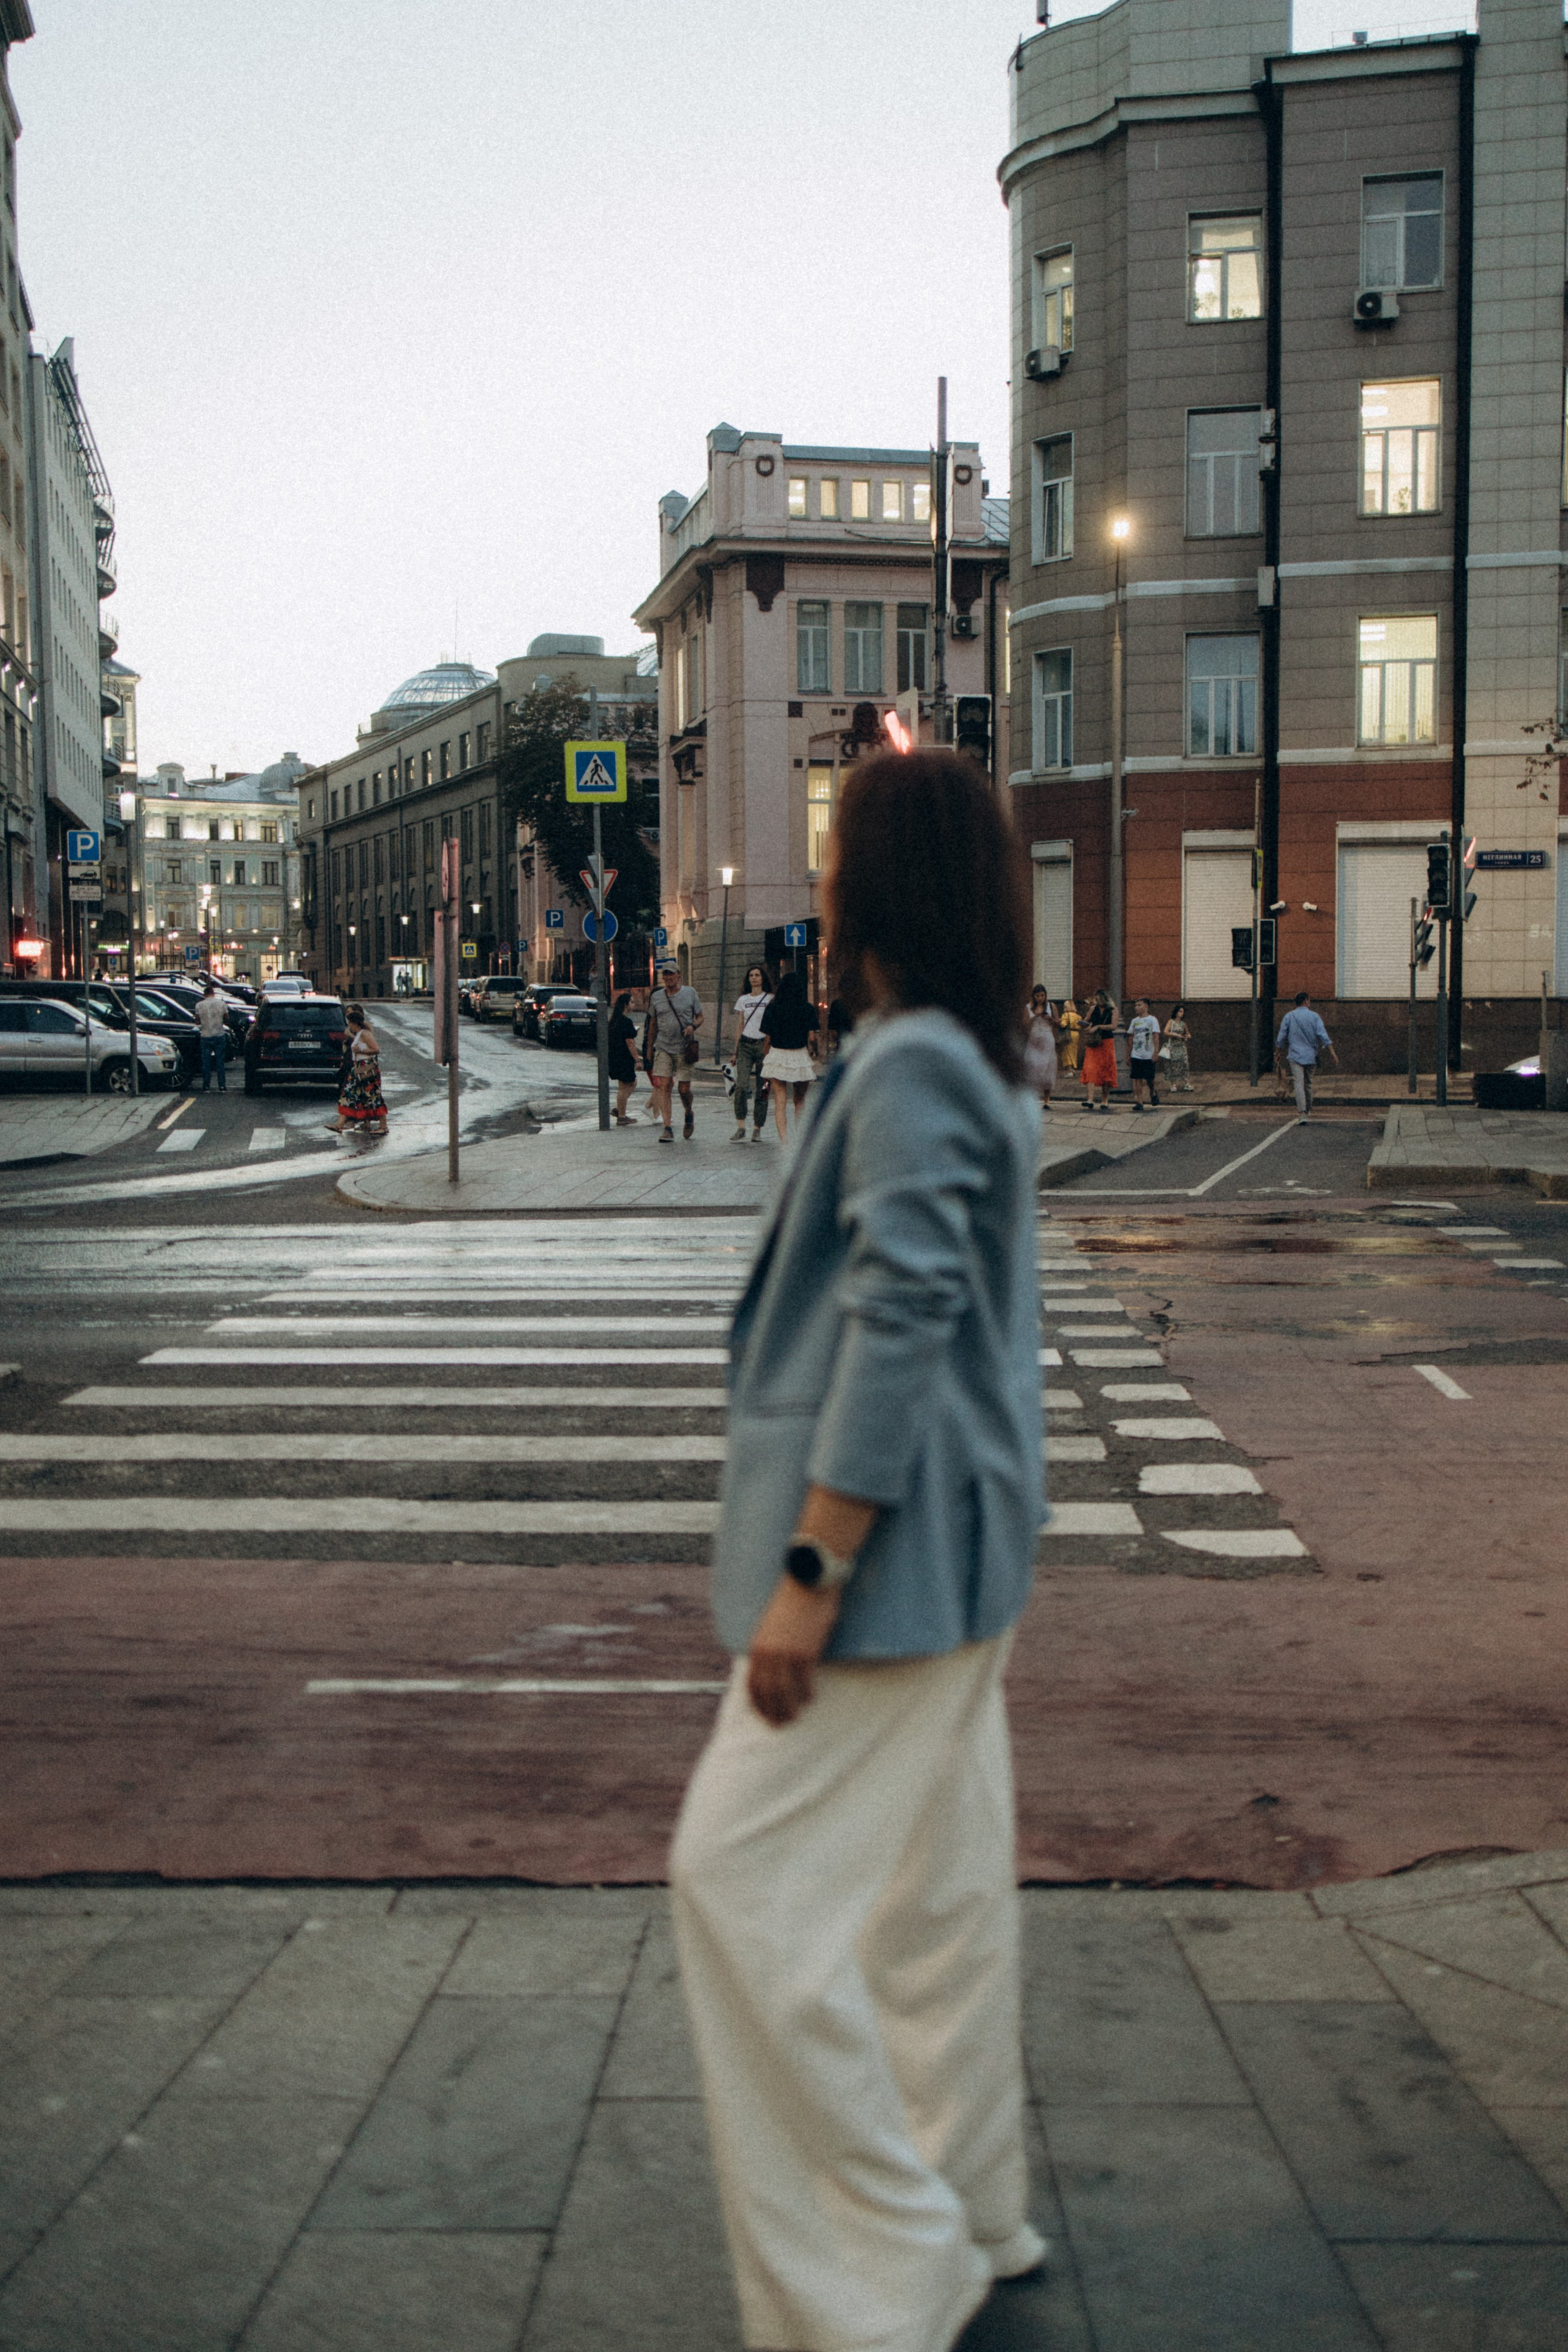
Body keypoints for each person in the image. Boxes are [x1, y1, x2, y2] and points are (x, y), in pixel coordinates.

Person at [670, 747, 1047, 2352]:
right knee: (938, 1901)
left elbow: (898, 1330)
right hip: (970, 1558)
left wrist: (809, 1579)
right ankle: (971, 2201)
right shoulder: (979, 1058)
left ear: (866, 890)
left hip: (887, 1571)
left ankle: (890, 2266)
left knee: (734, 1880)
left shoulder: (903, 1069)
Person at [643, 961, 703, 1143]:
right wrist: (649, 1048)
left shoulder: (690, 993)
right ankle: (668, 1128)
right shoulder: (657, 997)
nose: (668, 978)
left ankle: (688, 1112)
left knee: (684, 1089)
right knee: (664, 1086)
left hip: (684, 1048)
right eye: (665, 975)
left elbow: (700, 1017)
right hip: (663, 1047)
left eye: (672, 974)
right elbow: (653, 1023)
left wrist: (693, 1026)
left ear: (679, 975)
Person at [760, 965, 818, 1138]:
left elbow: (768, 1039)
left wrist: (766, 1058)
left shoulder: (772, 1008)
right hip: (799, 1055)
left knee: (780, 1101)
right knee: (800, 1101)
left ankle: (785, 1142)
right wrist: (814, 1051)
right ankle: (800, 1139)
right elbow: (813, 1037)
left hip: (778, 1055)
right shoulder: (807, 1009)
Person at [326, 1003, 388, 1137]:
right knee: (349, 1095)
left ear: (356, 1023)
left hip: (367, 1070)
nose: (350, 1026)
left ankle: (383, 1126)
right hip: (358, 1069)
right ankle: (339, 1125)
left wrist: (361, 1050)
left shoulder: (365, 1034)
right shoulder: (359, 1034)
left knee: (373, 1097)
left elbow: (376, 1050)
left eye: (351, 1023)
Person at [1276, 989, 1338, 1121]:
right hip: (1311, 1056)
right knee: (1308, 1083)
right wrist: (1332, 1052)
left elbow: (1281, 1037)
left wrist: (1278, 1052)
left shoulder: (1289, 1016)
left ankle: (1302, 1112)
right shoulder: (1315, 1016)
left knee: (1298, 1083)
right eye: (1309, 1000)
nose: (1310, 1002)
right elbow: (1323, 1035)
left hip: (1295, 1056)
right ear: (1305, 1001)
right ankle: (1309, 1109)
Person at [730, 963, 773, 1142]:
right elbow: (740, 1025)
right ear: (748, 980)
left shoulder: (771, 998)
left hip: (765, 1046)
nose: (754, 978)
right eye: (751, 976)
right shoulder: (743, 1000)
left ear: (763, 978)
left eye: (757, 975)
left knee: (764, 1088)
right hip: (746, 1045)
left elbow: (772, 1024)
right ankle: (741, 1126)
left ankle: (758, 1127)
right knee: (740, 1086)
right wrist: (735, 1051)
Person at [1079, 987, 1119, 1112]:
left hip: (1107, 1042)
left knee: (1106, 1071)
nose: (1096, 1001)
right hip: (1094, 1043)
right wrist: (1086, 1026)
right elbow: (1086, 1021)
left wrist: (1098, 1026)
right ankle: (1090, 1100)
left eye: (1098, 999)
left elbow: (1114, 1026)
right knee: (1090, 1068)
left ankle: (1104, 1100)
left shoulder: (1113, 1010)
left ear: (1104, 998)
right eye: (1095, 999)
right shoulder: (1093, 1009)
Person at [1023, 984, 1057, 1110]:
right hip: (1034, 1038)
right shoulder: (1028, 1007)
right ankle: (1032, 1097)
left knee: (1048, 1068)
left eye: (1042, 995)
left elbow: (1058, 1023)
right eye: (1038, 996)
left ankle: (1047, 1100)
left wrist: (1050, 1019)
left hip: (1047, 1038)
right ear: (1034, 996)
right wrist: (1034, 1017)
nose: (1040, 998)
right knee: (1032, 1066)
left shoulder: (1051, 1006)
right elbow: (1025, 1024)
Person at [608, 989, 639, 1124]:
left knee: (623, 1086)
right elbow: (630, 1043)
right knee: (632, 1083)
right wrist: (638, 1060)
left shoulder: (614, 1020)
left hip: (614, 1056)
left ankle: (620, 1111)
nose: (634, 1005)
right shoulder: (626, 1022)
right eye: (632, 1002)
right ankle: (621, 1115)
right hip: (624, 1058)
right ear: (626, 1005)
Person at [1126, 997, 1162, 1110]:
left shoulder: (1152, 1020)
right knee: (1137, 1078)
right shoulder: (1134, 1021)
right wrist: (1129, 1054)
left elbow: (1155, 1036)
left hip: (1148, 1053)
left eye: (1139, 1005)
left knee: (1149, 1079)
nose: (1137, 1007)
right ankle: (1140, 1102)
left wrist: (1156, 1052)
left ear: (1146, 1006)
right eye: (1136, 1005)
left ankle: (1152, 1092)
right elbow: (1131, 1037)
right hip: (1136, 1053)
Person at [194, 979, 228, 1093]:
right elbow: (227, 1018)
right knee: (220, 1062)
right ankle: (222, 1086)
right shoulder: (222, 1004)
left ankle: (206, 1086)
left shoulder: (199, 1005)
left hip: (206, 1035)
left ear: (205, 994)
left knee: (206, 1062)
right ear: (214, 993)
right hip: (219, 1034)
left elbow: (197, 1022)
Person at [1163, 1002, 1194, 1091]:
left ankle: (1187, 1083)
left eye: (1183, 1012)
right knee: (1173, 1065)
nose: (1182, 1013)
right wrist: (1176, 1035)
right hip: (1173, 1046)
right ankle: (1173, 1085)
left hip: (1182, 1046)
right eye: (1180, 1011)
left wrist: (1186, 1036)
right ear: (1176, 1012)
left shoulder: (1183, 1024)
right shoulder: (1171, 1022)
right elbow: (1166, 1032)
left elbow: (1189, 1034)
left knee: (1185, 1064)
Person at [1057, 997, 1081, 1077]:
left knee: (1067, 1052)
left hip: (1068, 1034)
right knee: (1074, 1051)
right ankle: (1073, 1068)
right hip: (1076, 1034)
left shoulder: (1066, 1015)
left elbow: (1063, 1025)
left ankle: (1069, 1070)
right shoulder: (1078, 1016)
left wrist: (1060, 1021)